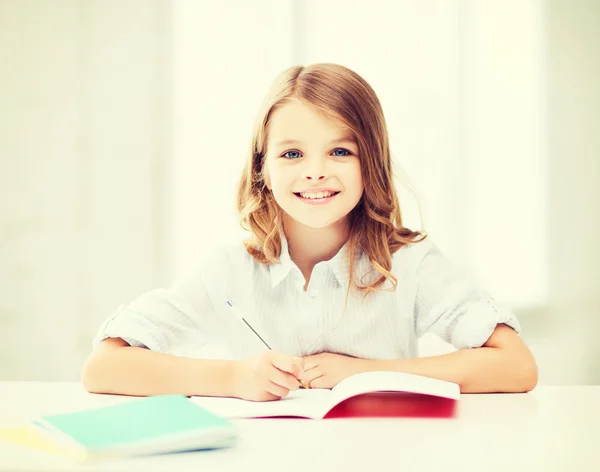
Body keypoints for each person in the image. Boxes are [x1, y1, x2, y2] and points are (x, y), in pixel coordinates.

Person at [82, 63, 538, 401]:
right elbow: (104, 368)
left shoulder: (408, 263)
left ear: (371, 162)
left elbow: (516, 366)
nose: (315, 173)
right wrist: (234, 378)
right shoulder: (229, 270)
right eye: (292, 154)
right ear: (261, 166)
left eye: (339, 151)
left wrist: (364, 375)